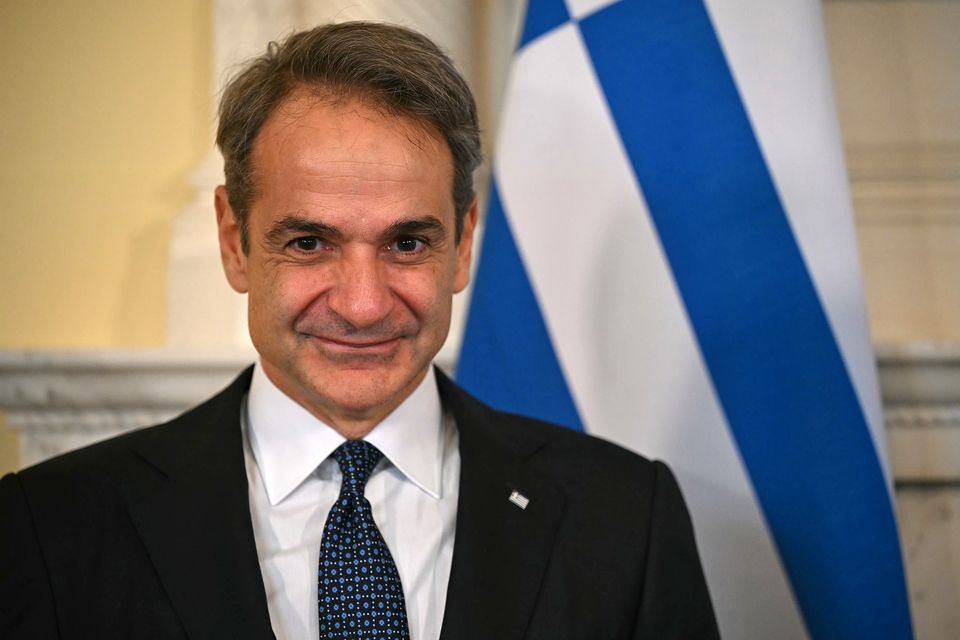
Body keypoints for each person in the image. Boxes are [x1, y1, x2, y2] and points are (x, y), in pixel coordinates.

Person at [0, 22, 719, 639]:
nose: (364, 305)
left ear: (464, 243)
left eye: (408, 243)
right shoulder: (48, 529)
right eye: (309, 243)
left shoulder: (625, 519)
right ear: (233, 239)